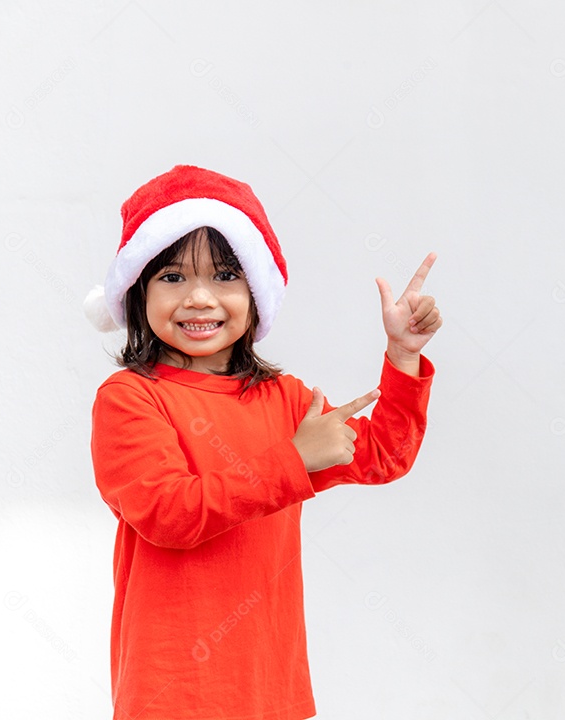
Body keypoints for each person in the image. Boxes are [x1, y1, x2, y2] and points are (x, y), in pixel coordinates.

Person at [82, 164, 441, 719]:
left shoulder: (284, 400)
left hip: (271, 689)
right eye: (172, 277)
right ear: (137, 294)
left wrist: (402, 357)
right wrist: (294, 459)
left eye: (225, 276)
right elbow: (168, 514)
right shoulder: (130, 398)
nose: (199, 298)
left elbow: (385, 456)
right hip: (171, 693)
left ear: (256, 293)